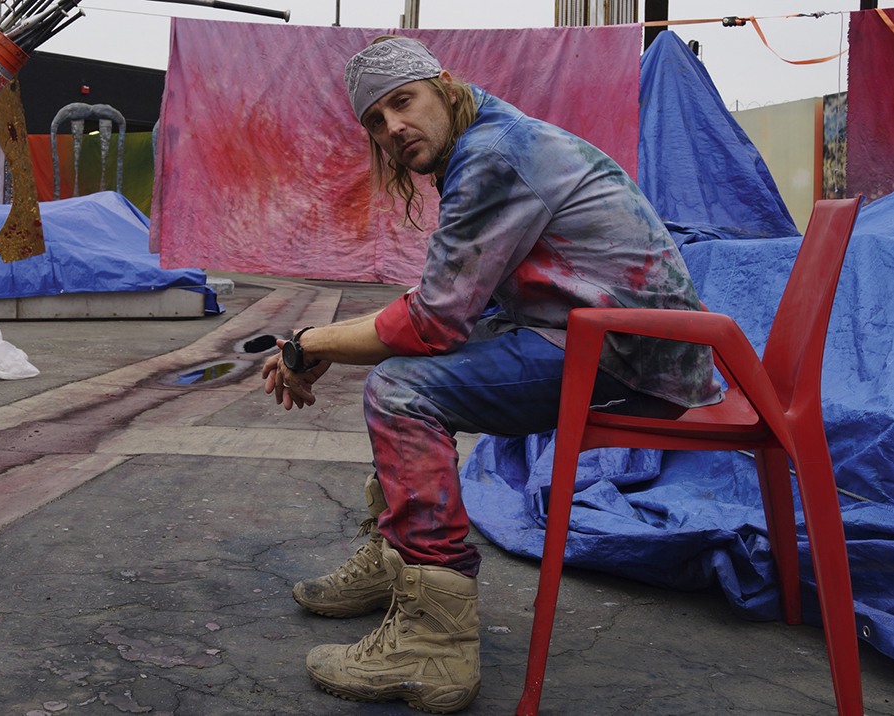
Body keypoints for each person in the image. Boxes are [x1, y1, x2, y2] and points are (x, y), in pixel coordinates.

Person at [260, 36, 721, 713]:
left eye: (402, 103)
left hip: (629, 358)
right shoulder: (490, 141)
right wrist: (325, 344)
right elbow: (444, 312)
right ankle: (397, 557)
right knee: (409, 365)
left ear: (442, 86)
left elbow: (432, 321)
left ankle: (432, 645)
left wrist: (307, 342)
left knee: (399, 389)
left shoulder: (494, 155)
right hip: (606, 339)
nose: (392, 129)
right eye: (376, 122)